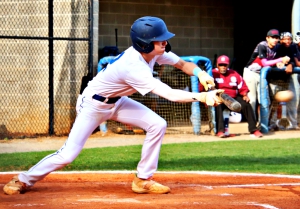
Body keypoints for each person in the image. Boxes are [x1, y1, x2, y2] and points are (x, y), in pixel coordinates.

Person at [3, 16, 224, 195]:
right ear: (144, 43)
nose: (164, 42)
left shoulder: (155, 54)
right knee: (68, 155)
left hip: (118, 102)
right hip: (93, 105)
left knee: (158, 124)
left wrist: (201, 73)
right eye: (159, 39)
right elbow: (168, 94)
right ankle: (23, 179)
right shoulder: (133, 65)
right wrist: (203, 97)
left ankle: (143, 179)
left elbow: (183, 63)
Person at [243, 29, 290, 124]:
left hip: (262, 74)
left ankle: (262, 123)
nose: (275, 40)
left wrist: (281, 62)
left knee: (264, 100)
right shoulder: (262, 45)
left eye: (277, 38)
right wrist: (280, 59)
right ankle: (252, 125)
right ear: (267, 38)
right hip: (251, 73)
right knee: (252, 100)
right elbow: (264, 63)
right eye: (273, 37)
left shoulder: (277, 47)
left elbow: (279, 58)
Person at [213, 55, 263, 138]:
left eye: (225, 65)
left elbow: (242, 85)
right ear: (217, 65)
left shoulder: (234, 73)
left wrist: (244, 94)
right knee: (218, 105)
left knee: (246, 104)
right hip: (220, 98)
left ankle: (254, 130)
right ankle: (220, 131)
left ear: (228, 65)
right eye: (221, 65)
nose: (223, 67)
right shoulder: (213, 73)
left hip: (233, 98)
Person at [268, 32, 299, 130]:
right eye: (285, 39)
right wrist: (279, 63)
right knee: (273, 103)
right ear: (281, 40)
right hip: (275, 79)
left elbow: (293, 61)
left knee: (292, 100)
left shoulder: (291, 48)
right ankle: (270, 124)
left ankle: (293, 124)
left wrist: (291, 65)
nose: (287, 41)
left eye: (289, 39)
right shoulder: (276, 48)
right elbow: (271, 60)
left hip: (287, 79)